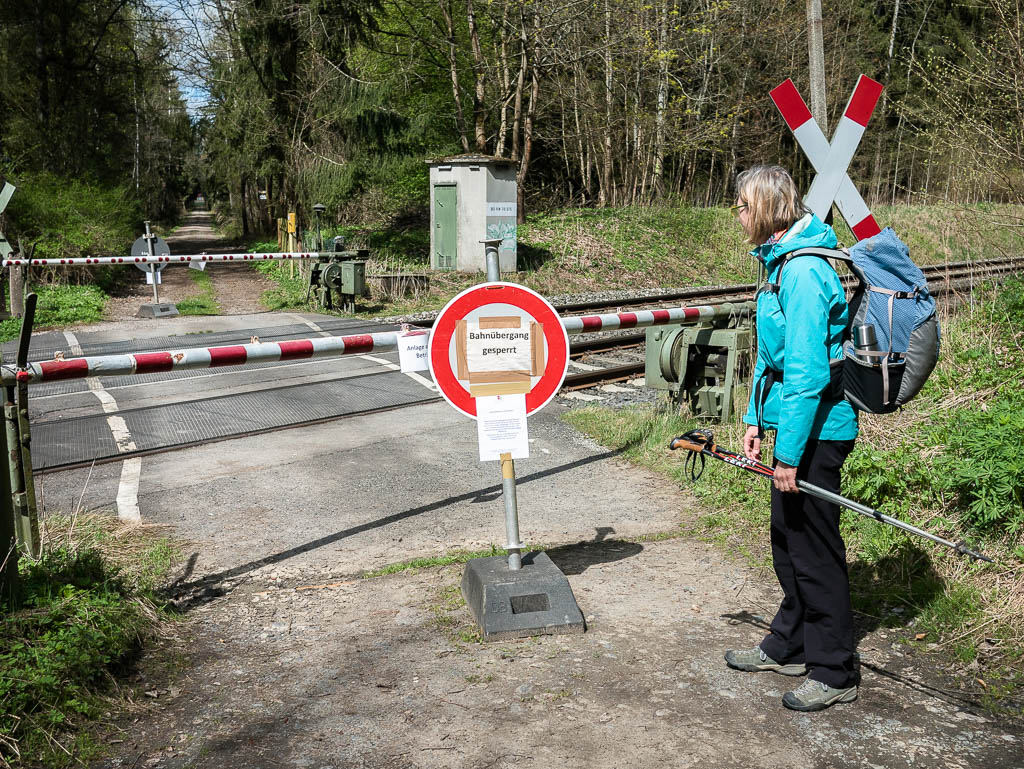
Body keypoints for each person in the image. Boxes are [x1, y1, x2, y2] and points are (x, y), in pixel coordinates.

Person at [723, 165, 860, 712]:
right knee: (788, 544)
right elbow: (770, 357)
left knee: (814, 551)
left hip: (818, 433)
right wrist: (756, 421)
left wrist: (789, 454)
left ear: (766, 209)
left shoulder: (802, 272)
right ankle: (790, 642)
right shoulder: (780, 263)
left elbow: (806, 374)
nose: (737, 215)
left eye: (742, 205)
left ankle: (834, 670)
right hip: (792, 426)